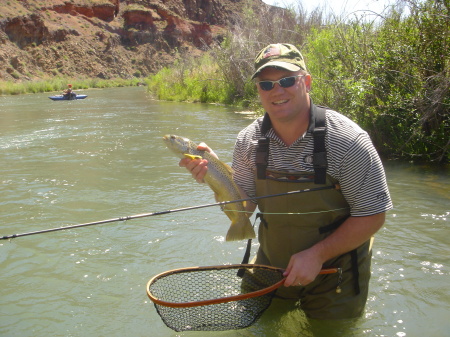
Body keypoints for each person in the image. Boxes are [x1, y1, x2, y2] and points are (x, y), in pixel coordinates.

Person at [179, 43, 393, 319]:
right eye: (266, 85)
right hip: (272, 264)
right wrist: (215, 175)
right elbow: (244, 207)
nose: (276, 91)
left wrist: (317, 255)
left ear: (307, 82)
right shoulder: (248, 141)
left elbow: (373, 216)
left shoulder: (348, 141)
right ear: (258, 91)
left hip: (335, 270)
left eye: (287, 80)